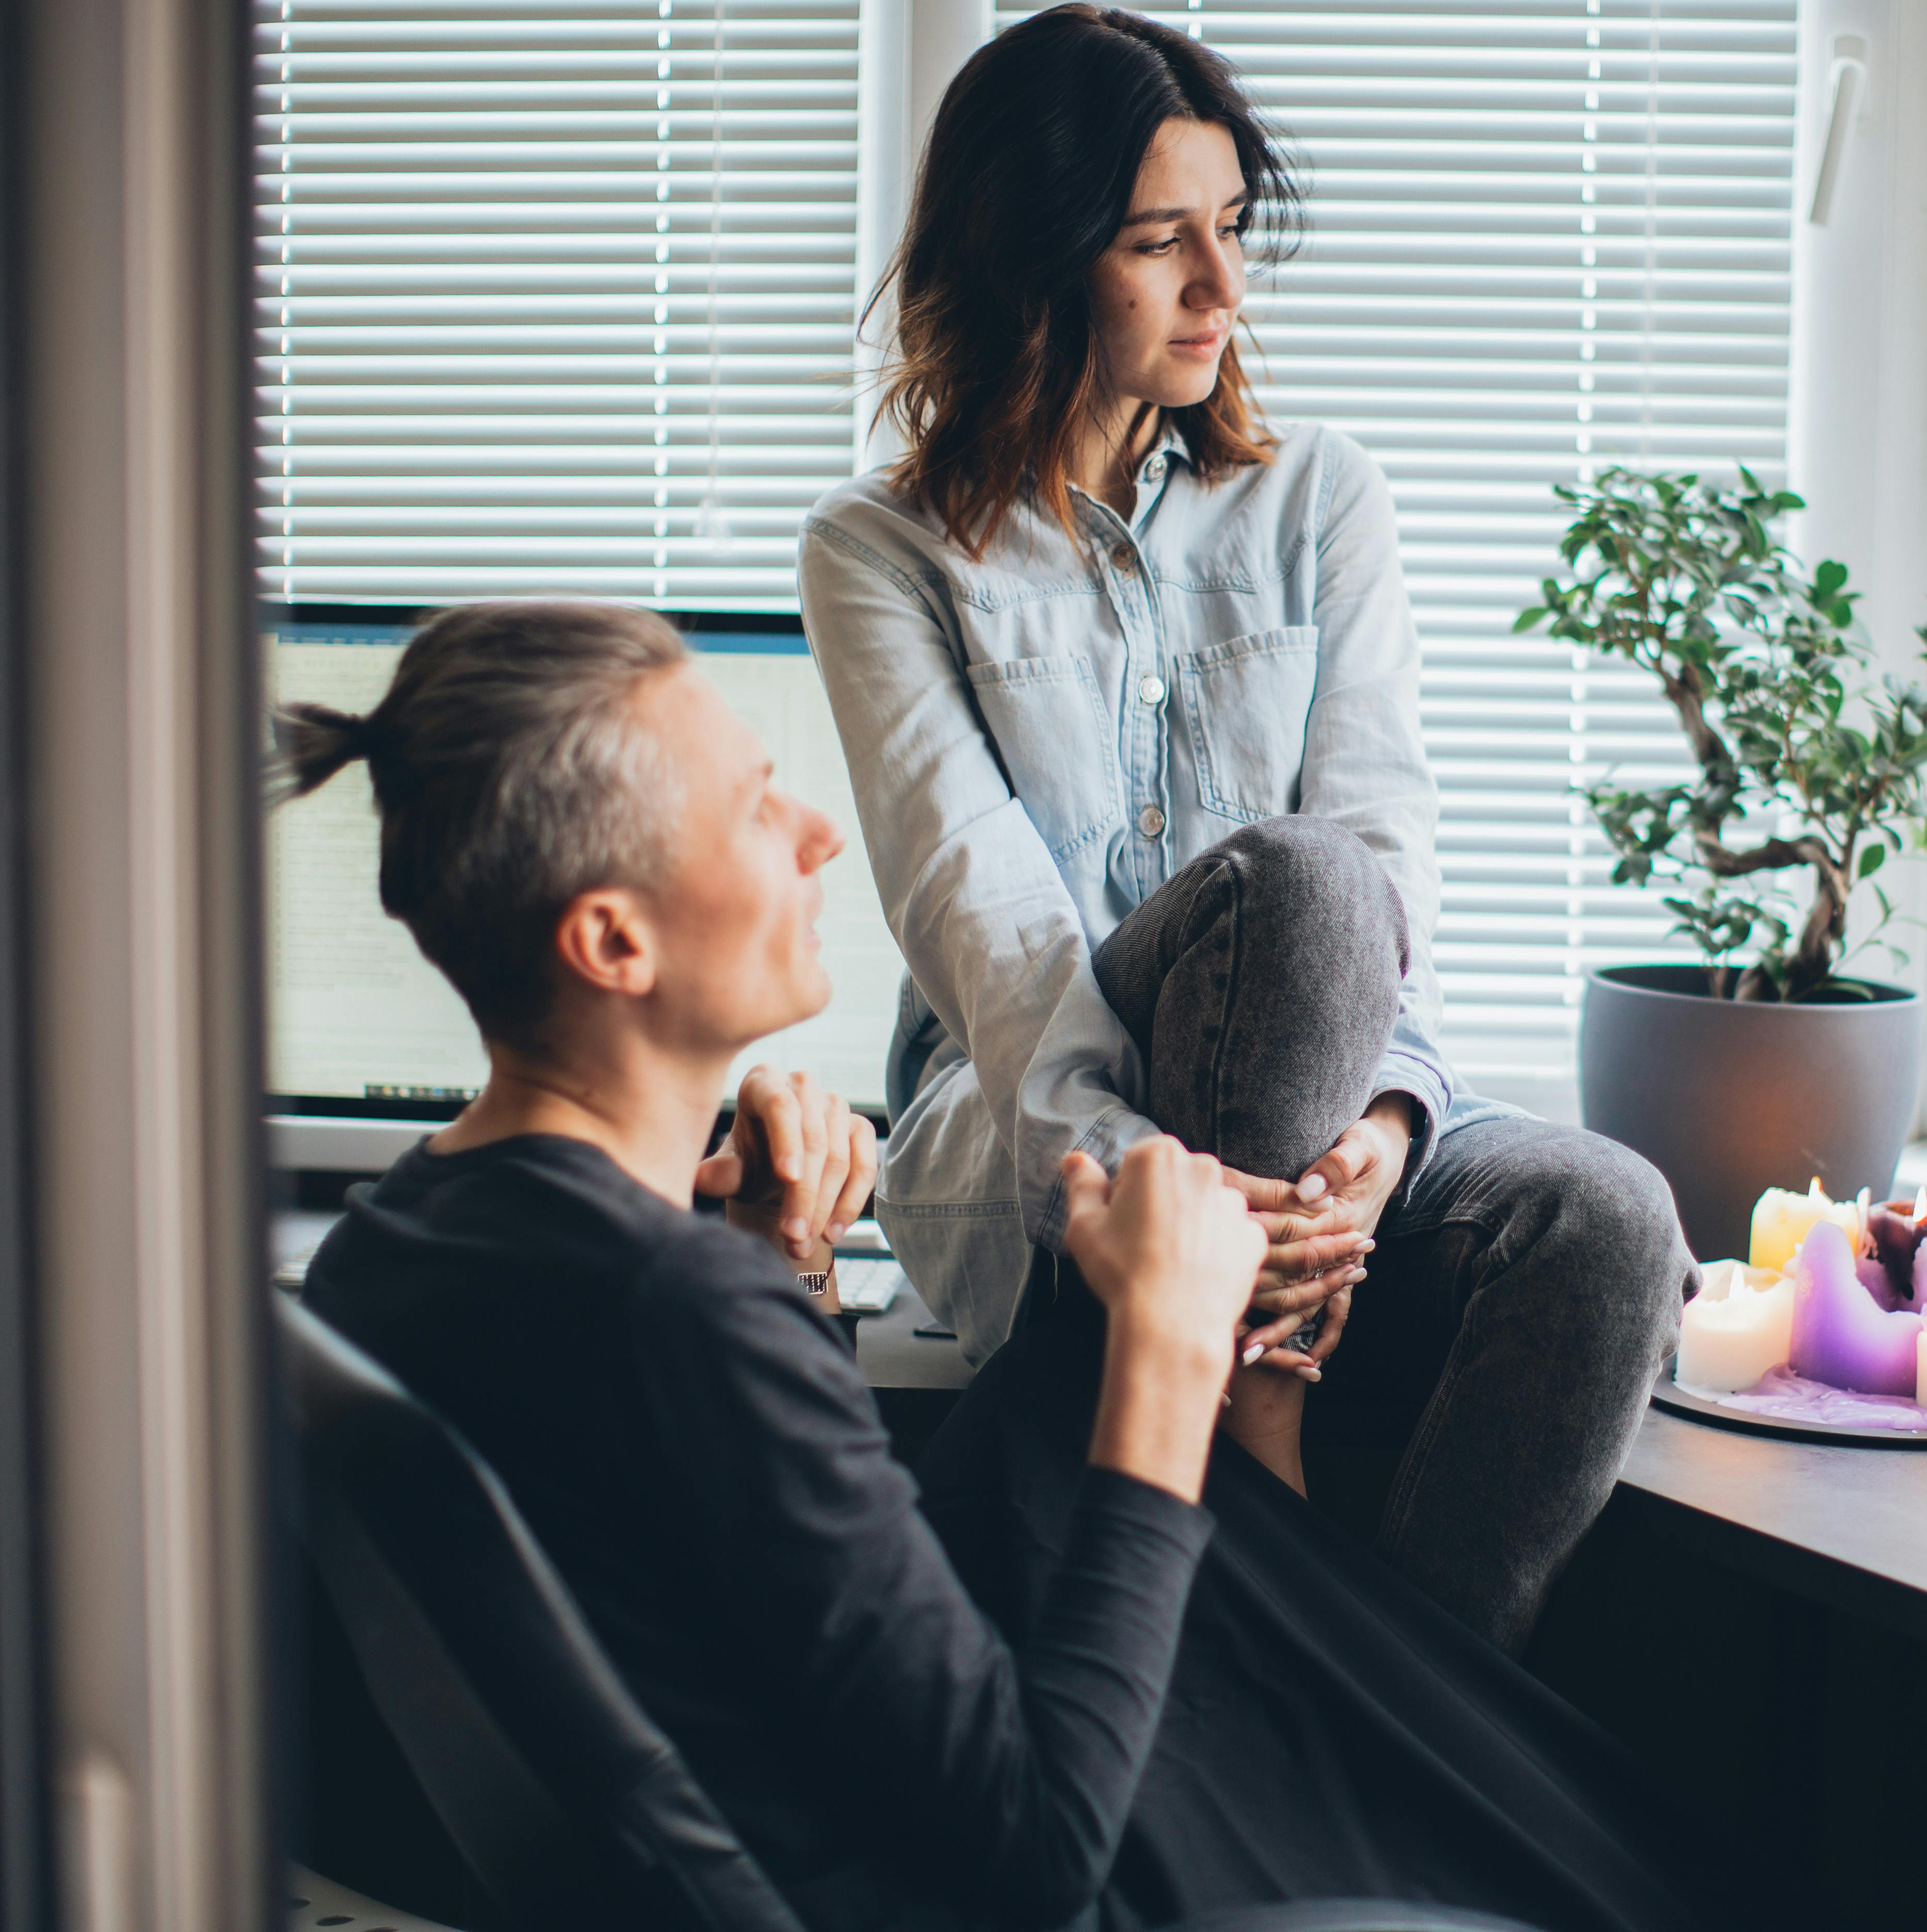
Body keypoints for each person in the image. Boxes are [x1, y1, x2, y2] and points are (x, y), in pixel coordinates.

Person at [281, 602, 1738, 1931]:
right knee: (1611, 1853)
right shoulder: (666, 1307)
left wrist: (783, 1266)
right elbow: (1032, 1860)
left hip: (839, 1805)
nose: (817, 835)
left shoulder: (396, 1249)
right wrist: (1165, 1356)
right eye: (750, 806)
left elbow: (745, 1587)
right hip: (988, 1876)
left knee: (1064, 1426)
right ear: (612, 938)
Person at [800, 1, 1689, 1653]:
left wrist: (1384, 1131)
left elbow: (1388, 846)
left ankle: (1399, 1722)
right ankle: (1248, 1413)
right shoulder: (883, 555)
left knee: (1610, 1218)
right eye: (1161, 245)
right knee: (1289, 886)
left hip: (1334, 1105)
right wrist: (1171, 1206)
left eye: (1231, 233)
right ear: (1031, 263)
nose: (1223, 289)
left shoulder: (1321, 493)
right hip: (1049, 1138)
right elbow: (994, 935)